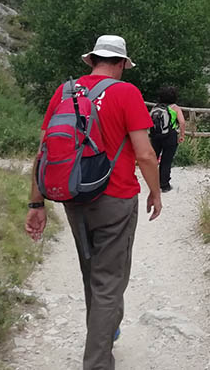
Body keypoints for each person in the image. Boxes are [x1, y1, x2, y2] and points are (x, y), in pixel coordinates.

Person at [25, 35, 162, 370]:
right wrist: (156, 192)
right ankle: (98, 361)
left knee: (93, 273)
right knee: (110, 280)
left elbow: (44, 150)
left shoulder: (66, 91)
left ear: (93, 60)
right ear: (121, 64)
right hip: (115, 199)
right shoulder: (126, 93)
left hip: (74, 196)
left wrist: (36, 204)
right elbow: (144, 154)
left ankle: (104, 328)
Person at [150, 86, 186, 193]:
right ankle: (164, 185)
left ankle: (152, 183)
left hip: (156, 136)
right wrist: (182, 135)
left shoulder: (155, 107)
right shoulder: (175, 108)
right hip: (170, 135)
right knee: (166, 161)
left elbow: (149, 118)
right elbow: (182, 122)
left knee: (153, 159)